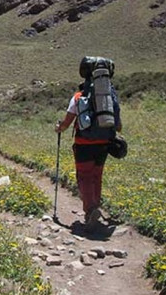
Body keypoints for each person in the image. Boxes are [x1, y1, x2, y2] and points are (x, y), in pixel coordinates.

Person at [55, 58, 121, 230]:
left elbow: (67, 123)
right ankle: (95, 207)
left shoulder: (78, 97)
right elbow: (118, 125)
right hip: (104, 142)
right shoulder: (110, 96)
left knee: (84, 176)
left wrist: (59, 128)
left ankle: (90, 210)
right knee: (96, 176)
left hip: (84, 143)